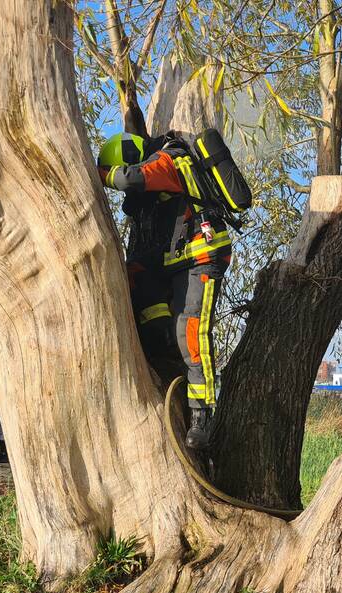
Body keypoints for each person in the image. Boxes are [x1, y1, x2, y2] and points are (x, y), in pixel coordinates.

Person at [97, 131, 232, 449]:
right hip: (171, 257)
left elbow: (131, 179)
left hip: (201, 255)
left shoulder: (169, 160)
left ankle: (201, 416)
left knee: (191, 330)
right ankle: (158, 339)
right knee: (134, 276)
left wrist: (97, 173)